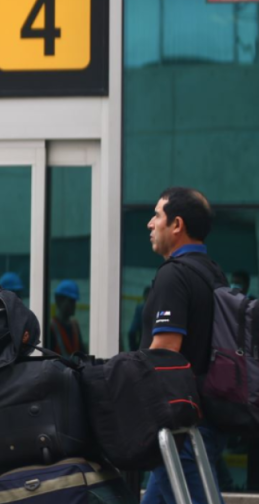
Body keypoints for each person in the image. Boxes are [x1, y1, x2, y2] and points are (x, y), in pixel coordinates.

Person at [140, 187, 227, 504]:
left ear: (176, 225)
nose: (150, 224)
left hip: (181, 427)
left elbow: (164, 352)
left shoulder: (174, 275)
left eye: (157, 215)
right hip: (204, 420)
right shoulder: (213, 273)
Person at [47, 280, 84, 356]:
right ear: (59, 300)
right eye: (71, 301)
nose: (74, 305)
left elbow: (82, 352)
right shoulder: (51, 328)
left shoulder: (75, 326)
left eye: (74, 302)